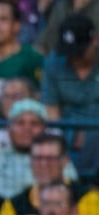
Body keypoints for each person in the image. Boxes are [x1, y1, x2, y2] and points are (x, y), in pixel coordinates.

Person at [43, 13, 99, 178]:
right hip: (66, 141)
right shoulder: (53, 63)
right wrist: (58, 149)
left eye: (79, 52)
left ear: (95, 40)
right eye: (69, 52)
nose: (74, 58)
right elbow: (51, 111)